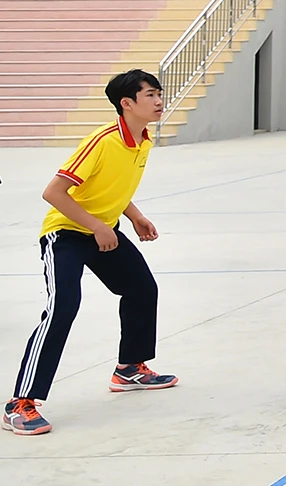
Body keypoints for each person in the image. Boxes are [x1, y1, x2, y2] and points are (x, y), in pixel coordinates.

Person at [7, 70, 177, 437]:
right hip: (66, 233)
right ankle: (20, 403)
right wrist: (98, 226)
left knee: (141, 289)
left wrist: (135, 216)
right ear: (126, 104)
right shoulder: (102, 140)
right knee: (63, 307)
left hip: (104, 232)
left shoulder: (142, 140)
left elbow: (111, 185)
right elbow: (54, 192)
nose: (159, 100)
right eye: (150, 95)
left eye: (159, 93)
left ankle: (129, 368)